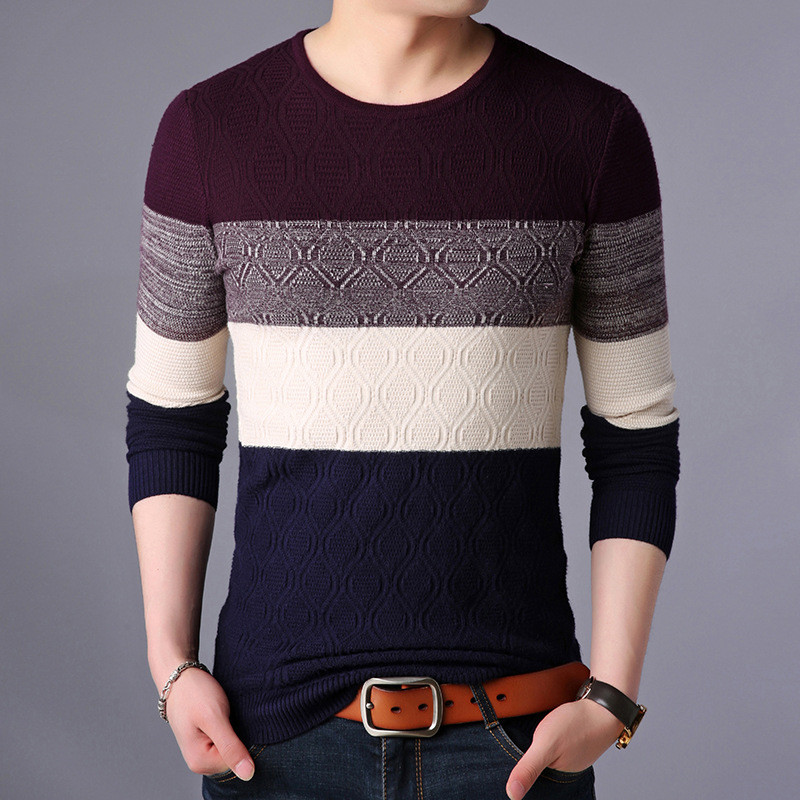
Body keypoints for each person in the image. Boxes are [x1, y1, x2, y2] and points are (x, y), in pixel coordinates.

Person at [125, 2, 680, 798]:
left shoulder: (590, 131)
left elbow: (636, 433)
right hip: (275, 745)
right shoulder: (209, 130)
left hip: (514, 745)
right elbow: (172, 418)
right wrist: (171, 666)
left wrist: (613, 696)